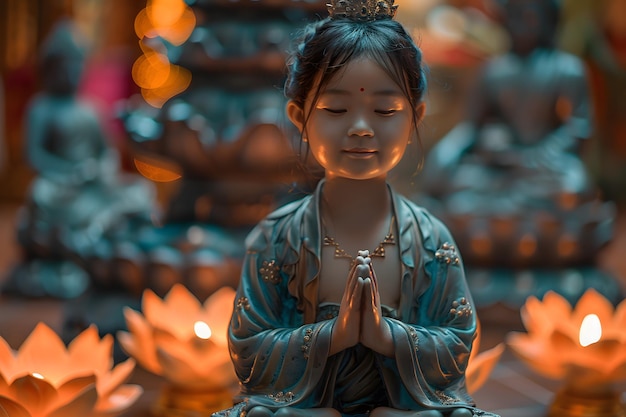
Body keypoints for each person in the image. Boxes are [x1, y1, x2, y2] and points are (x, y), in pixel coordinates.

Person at [213, 1, 498, 416]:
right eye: (335, 109)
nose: (361, 127)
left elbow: (456, 341)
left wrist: (389, 338)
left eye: (385, 110)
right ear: (299, 117)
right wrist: (333, 335)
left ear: (415, 117)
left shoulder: (430, 240)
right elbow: (248, 346)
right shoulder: (276, 238)